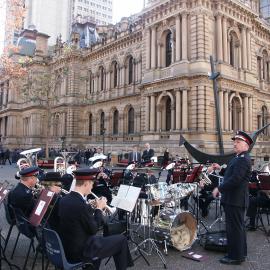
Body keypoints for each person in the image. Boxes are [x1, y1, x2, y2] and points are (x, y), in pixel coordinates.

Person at [58, 168, 134, 270]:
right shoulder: (81, 205)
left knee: (103, 240)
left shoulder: (64, 200)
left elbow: (79, 221)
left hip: (68, 246)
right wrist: (98, 209)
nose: (92, 186)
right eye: (91, 183)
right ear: (85, 183)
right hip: (82, 250)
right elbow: (94, 229)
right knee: (121, 240)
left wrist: (91, 208)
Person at [212, 130, 252, 265]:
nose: (235, 144)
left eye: (238, 142)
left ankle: (235, 256)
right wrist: (220, 169)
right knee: (238, 228)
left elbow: (235, 179)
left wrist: (219, 188)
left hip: (236, 200)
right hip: (234, 200)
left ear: (246, 145)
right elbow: (230, 173)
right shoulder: (238, 158)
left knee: (234, 229)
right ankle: (241, 253)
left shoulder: (243, 159)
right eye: (234, 142)